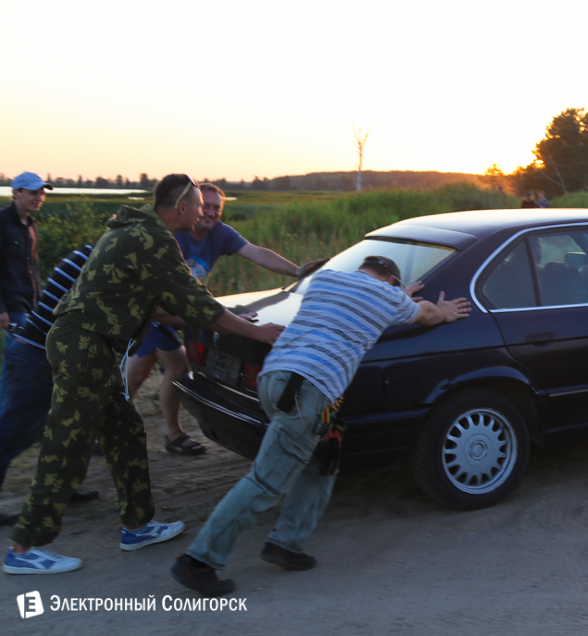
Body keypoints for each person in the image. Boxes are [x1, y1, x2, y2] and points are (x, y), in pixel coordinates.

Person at [3, 174, 284, 575]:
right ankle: (24, 548)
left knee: (126, 433)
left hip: (93, 345)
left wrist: (231, 318)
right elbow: (195, 304)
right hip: (85, 346)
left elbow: (165, 308)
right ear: (181, 207)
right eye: (198, 206)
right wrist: (255, 332)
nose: (204, 213)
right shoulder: (152, 238)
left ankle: (137, 526)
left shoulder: (136, 231)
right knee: (68, 443)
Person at [171, 255, 471, 596]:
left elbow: (361, 299)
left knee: (323, 460)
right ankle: (198, 561)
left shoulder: (326, 280)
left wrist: (398, 295)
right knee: (265, 480)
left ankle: (287, 543)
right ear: (391, 281)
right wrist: (444, 310)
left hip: (274, 380)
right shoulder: (388, 297)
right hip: (307, 390)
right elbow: (427, 313)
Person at [127, 183, 323, 456]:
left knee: (150, 370)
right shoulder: (174, 231)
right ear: (190, 207)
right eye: (204, 206)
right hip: (153, 308)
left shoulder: (220, 233)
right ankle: (166, 434)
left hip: (176, 310)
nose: (209, 212)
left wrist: (298, 271)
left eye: (216, 208)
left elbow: (257, 253)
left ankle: (126, 427)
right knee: (169, 367)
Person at [0, 245, 99, 526]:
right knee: (10, 435)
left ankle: (61, 488)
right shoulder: (100, 260)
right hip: (37, 357)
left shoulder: (96, 253)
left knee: (69, 426)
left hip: (48, 356)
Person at [0, 172, 49, 414]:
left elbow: (33, 271)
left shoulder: (30, 226)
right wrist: (1, 309)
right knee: (17, 368)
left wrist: (40, 307)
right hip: (12, 309)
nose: (39, 197)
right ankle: (7, 420)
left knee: (23, 365)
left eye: (41, 193)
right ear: (16, 193)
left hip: (30, 308)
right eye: (33, 193)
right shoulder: (1, 222)